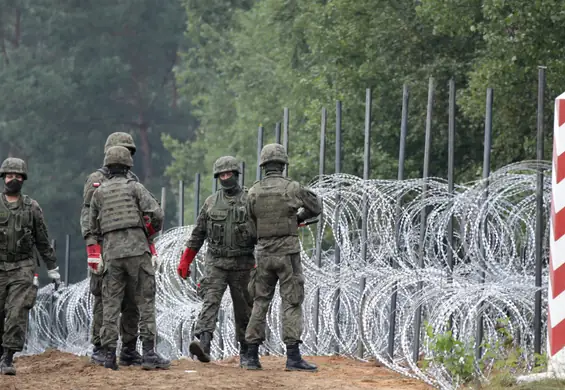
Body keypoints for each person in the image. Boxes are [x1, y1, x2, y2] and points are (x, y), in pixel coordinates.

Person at [89, 146, 169, 371]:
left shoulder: (99, 192)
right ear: (127, 165)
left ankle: (108, 355)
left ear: (108, 165)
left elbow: (93, 225)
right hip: (137, 249)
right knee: (145, 301)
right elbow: (157, 214)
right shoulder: (135, 187)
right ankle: (149, 354)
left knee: (111, 304)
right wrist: (149, 231)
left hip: (112, 253)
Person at [244, 143, 322, 372]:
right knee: (292, 302)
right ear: (283, 164)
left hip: (264, 253)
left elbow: (249, 226)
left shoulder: (253, 191)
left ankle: (250, 356)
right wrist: (298, 218)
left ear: (264, 165)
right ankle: (293, 357)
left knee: (260, 302)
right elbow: (315, 207)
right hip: (287, 254)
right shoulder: (292, 188)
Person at [177, 156, 255, 367]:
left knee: (244, 309)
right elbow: (198, 234)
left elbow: (262, 231)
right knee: (210, 302)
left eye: (228, 174)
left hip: (243, 264)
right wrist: (186, 260)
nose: (225, 178)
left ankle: (247, 352)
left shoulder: (250, 199)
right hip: (216, 263)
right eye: (221, 175)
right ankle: (203, 344)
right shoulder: (211, 203)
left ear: (236, 175)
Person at [80, 132, 142, 366]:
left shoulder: (133, 180)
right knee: (103, 299)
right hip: (105, 247)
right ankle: (101, 346)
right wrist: (92, 248)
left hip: (130, 247)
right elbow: (88, 215)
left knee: (131, 299)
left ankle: (128, 348)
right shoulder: (96, 180)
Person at [0, 158, 61, 375]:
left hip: (22, 267)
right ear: (3, 177)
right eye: (9, 175)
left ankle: (8, 357)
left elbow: (42, 239)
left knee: (17, 313)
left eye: (17, 176)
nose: (13, 179)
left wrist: (52, 267)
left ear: (23, 179)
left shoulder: (31, 207)